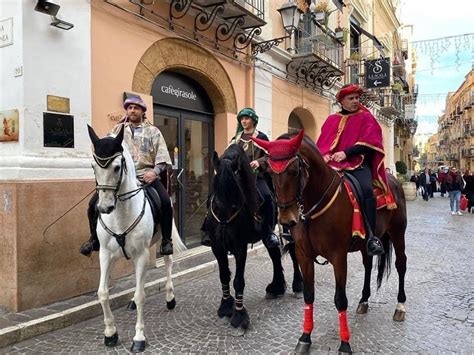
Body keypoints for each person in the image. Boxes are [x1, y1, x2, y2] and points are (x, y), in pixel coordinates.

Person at [80, 96, 174, 256]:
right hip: (121, 178)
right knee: (92, 204)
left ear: (143, 111)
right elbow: (106, 148)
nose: (132, 110)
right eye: (129, 107)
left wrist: (155, 172)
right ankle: (94, 239)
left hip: (146, 176)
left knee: (165, 202)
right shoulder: (117, 130)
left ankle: (166, 240)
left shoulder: (153, 131)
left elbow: (162, 157)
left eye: (136, 108)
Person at [316, 84, 393, 256]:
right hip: (332, 164)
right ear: (341, 101)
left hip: (358, 163)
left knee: (366, 191)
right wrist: (326, 155)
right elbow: (322, 143)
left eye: (357, 98)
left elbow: (371, 143)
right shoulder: (331, 120)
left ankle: (372, 237)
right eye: (351, 98)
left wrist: (346, 153)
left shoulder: (366, 117)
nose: (355, 101)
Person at [229, 108, 279, 248]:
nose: (244, 121)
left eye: (247, 118)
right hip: (239, 178)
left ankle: (269, 233)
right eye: (242, 119)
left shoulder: (261, 137)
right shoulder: (236, 139)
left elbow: (271, 155)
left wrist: (259, 162)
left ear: (253, 120)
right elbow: (230, 155)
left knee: (267, 197)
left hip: (257, 178)